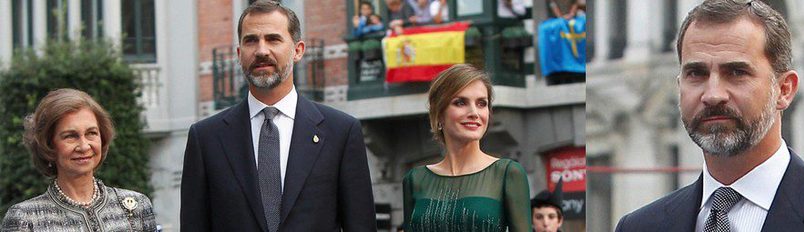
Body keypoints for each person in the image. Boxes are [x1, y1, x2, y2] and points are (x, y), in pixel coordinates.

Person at [615, 0, 804, 231]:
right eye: (696, 73)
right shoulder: (639, 226)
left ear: (784, 90)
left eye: (737, 72)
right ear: (679, 87)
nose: (713, 94)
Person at [180, 1, 376, 231]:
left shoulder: (340, 132)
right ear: (239, 53)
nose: (262, 51)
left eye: (273, 39)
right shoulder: (206, 139)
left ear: (298, 50)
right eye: (251, 40)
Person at [1, 88, 157, 231]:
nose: (84, 146)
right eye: (70, 136)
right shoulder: (25, 219)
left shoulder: (136, 206)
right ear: (49, 145)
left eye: (91, 133)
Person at [402, 64, 531, 232]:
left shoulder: (507, 174)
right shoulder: (414, 180)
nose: (474, 113)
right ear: (439, 113)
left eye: (481, 104)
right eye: (460, 102)